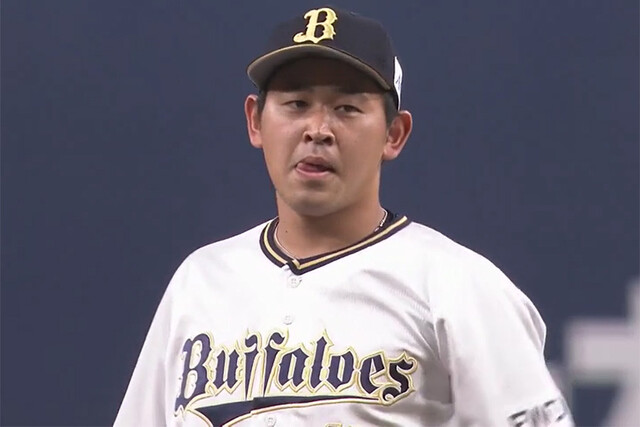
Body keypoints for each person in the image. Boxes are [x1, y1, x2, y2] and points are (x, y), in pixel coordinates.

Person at [115, 6, 573, 426]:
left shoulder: (457, 286)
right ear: (255, 121)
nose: (318, 130)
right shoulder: (199, 282)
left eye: (347, 108)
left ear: (394, 134)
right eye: (296, 103)